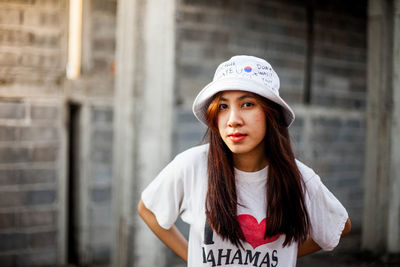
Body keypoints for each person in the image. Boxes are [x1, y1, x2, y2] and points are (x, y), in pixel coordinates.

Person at [137, 55, 351, 267]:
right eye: (223, 107)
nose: (232, 121)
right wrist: (192, 257)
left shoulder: (299, 178)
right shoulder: (193, 165)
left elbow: (339, 227)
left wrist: (286, 255)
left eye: (247, 104)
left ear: (272, 113)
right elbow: (148, 209)